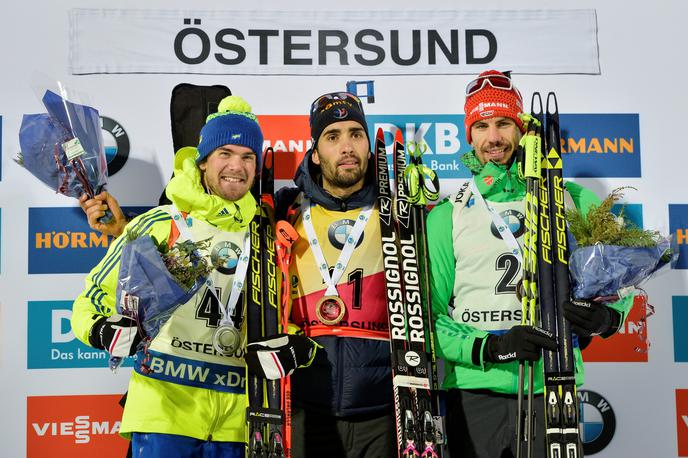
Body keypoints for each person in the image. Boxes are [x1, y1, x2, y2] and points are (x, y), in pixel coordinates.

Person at [72, 95, 316, 457]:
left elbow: (274, 314)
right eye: (225, 154)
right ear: (203, 162)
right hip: (164, 411)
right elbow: (92, 298)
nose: (237, 166)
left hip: (238, 419)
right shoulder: (160, 224)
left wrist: (299, 347)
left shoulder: (264, 235)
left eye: (247, 156)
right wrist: (101, 329)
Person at [426, 70, 635, 458]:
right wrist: (492, 347)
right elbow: (427, 316)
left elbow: (623, 282)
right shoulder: (446, 214)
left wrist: (606, 319)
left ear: (522, 129)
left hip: (550, 383)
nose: (493, 138)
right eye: (482, 126)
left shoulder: (572, 199)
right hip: (474, 388)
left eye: (504, 123)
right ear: (468, 135)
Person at [273, 92, 396, 458]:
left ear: (370, 148)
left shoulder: (400, 212)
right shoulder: (285, 212)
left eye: (356, 134)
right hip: (304, 408)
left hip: (384, 411)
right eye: (333, 136)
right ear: (314, 153)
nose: (347, 146)